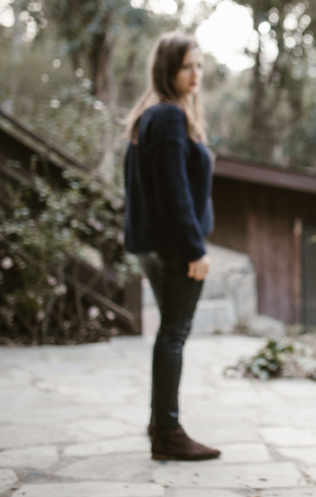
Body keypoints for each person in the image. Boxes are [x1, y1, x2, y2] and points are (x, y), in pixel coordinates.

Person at [123, 33, 219, 461]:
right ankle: (167, 432)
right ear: (168, 70)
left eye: (199, 66)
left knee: (170, 333)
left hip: (159, 246)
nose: (195, 74)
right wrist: (194, 249)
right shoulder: (166, 117)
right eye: (187, 66)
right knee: (174, 334)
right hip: (173, 249)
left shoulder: (156, 115)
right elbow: (172, 192)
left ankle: (160, 422)